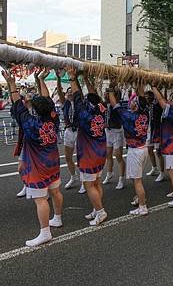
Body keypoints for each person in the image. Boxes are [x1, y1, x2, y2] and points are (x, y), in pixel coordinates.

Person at [3, 68, 64, 247]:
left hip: (38, 167)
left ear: (35, 110)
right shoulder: (53, 119)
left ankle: (45, 232)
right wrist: (41, 80)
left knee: (40, 200)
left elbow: (17, 104)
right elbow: (48, 101)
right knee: (55, 192)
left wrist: (11, 83)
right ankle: (58, 218)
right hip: (53, 163)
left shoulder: (30, 123)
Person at [67, 67, 108, 226]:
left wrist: (72, 77)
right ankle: (96, 207)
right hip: (100, 151)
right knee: (97, 182)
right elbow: (94, 96)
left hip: (89, 155)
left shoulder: (85, 115)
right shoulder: (101, 109)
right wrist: (85, 78)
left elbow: (77, 97)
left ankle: (100, 212)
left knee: (89, 184)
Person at [109, 83, 150, 216]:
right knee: (136, 178)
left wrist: (110, 90)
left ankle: (143, 206)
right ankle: (139, 198)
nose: (131, 102)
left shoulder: (129, 117)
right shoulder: (145, 114)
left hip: (135, 150)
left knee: (137, 180)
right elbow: (142, 99)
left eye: (134, 101)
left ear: (136, 105)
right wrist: (139, 84)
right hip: (143, 148)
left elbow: (115, 105)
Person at [151, 87, 173, 207]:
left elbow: (160, 99)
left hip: (172, 144)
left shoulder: (172, 110)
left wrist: (153, 86)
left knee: (172, 171)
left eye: (170, 99)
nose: (168, 100)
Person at [55, 70, 84, 194]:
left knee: (80, 158)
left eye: (72, 91)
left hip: (79, 131)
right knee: (67, 157)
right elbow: (60, 91)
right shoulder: (65, 103)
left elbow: (79, 93)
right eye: (68, 92)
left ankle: (84, 182)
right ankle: (73, 177)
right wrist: (58, 78)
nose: (70, 93)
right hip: (68, 131)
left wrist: (75, 79)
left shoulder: (79, 103)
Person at [102, 88, 127, 190]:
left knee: (118, 156)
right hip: (108, 132)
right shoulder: (104, 104)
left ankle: (121, 178)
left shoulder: (117, 106)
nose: (106, 95)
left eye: (108, 94)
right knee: (108, 154)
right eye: (106, 93)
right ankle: (109, 173)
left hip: (117, 132)